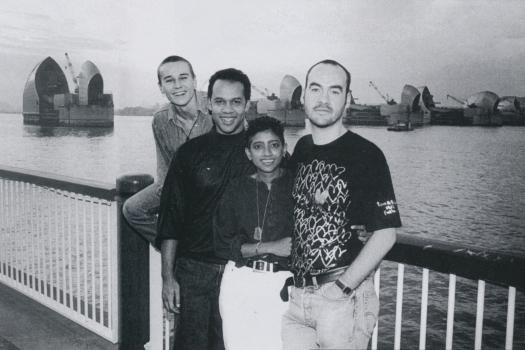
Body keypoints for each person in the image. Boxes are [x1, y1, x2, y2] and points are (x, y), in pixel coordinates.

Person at [282, 59, 402, 350]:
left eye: (335, 91)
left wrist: (342, 288)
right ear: (304, 96)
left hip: (341, 299)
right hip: (298, 299)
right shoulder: (302, 148)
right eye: (316, 89)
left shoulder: (367, 154)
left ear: (347, 99)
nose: (324, 99)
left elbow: (386, 233)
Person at [156, 68, 255, 350]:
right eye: (220, 102)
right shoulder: (189, 153)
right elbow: (171, 218)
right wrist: (167, 278)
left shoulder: (264, 153)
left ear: (246, 105)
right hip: (195, 272)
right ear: (208, 103)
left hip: (242, 272)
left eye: (236, 102)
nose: (227, 110)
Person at [213, 116, 293, 350]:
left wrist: (361, 231)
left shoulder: (297, 185)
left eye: (274, 145)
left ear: (284, 149)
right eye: (258, 146)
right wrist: (269, 246)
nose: (267, 153)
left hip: (283, 284)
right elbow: (221, 244)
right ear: (248, 153)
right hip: (240, 281)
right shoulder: (236, 188)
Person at [122, 55, 212, 244]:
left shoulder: (217, 107)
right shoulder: (160, 120)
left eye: (183, 78)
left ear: (194, 81)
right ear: (161, 87)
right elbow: (165, 171)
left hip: (219, 188)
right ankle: (179, 249)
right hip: (182, 187)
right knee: (133, 209)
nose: (177, 85)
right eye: (169, 80)